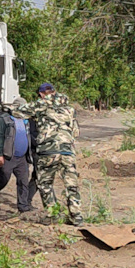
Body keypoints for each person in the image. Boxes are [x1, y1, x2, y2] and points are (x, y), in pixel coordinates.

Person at [29, 83, 84, 225]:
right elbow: (76, 132)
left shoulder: (39, 106)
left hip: (48, 150)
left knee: (45, 183)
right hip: (67, 151)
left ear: (41, 94)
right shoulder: (70, 109)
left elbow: (18, 111)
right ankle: (76, 216)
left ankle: (52, 214)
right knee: (71, 184)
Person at [0, 98, 36, 215]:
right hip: (8, 156)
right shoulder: (4, 120)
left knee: (23, 182)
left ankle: (23, 207)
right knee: (3, 181)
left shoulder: (27, 121)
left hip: (22, 158)